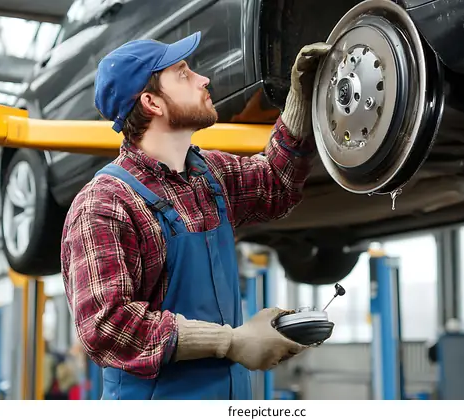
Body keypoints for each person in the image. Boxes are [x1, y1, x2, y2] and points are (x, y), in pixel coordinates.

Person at [60, 31, 331, 400]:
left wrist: (300, 100)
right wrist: (231, 341)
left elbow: (274, 184)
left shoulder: (209, 175)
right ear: (152, 102)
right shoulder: (105, 203)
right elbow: (107, 327)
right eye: (184, 73)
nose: (204, 79)